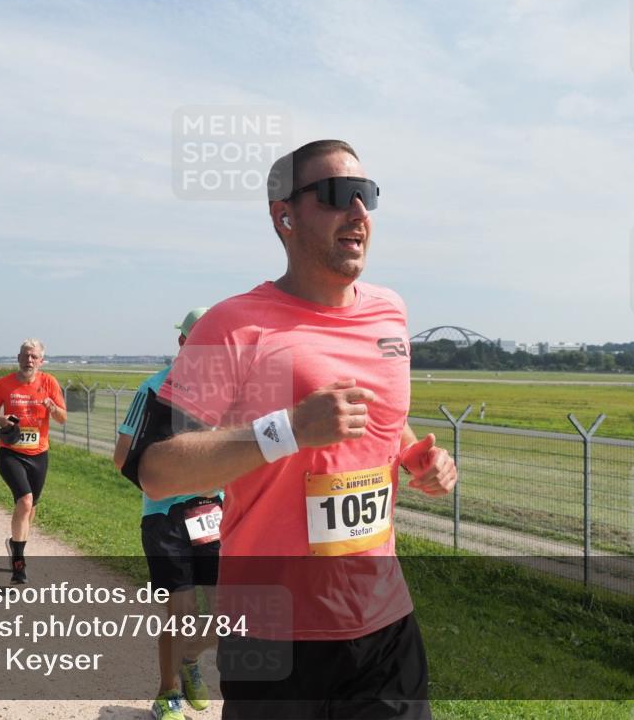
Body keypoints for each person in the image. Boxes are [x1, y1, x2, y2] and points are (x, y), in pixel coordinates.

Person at [124, 140, 458, 720]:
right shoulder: (230, 326)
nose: (359, 212)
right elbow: (154, 468)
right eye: (336, 196)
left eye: (367, 196)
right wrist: (288, 431)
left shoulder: (391, 313)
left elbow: (387, 420)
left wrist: (416, 459)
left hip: (384, 623)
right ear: (284, 215)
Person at [114, 308, 219, 720]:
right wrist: (170, 486)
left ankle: (189, 659)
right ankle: (166, 692)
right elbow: (122, 458)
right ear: (182, 343)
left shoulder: (229, 393)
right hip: (164, 517)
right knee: (182, 612)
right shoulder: (154, 389)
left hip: (213, 512)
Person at [0, 339, 67, 584]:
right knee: (25, 500)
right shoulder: (4, 384)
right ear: (18, 358)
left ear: (41, 361)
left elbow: (63, 419)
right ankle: (18, 566)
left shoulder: (49, 383)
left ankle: (14, 544)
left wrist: (53, 408)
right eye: (25, 356)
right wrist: (2, 421)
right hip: (11, 453)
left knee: (30, 509)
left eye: (33, 357)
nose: (29, 360)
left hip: (39, 455)